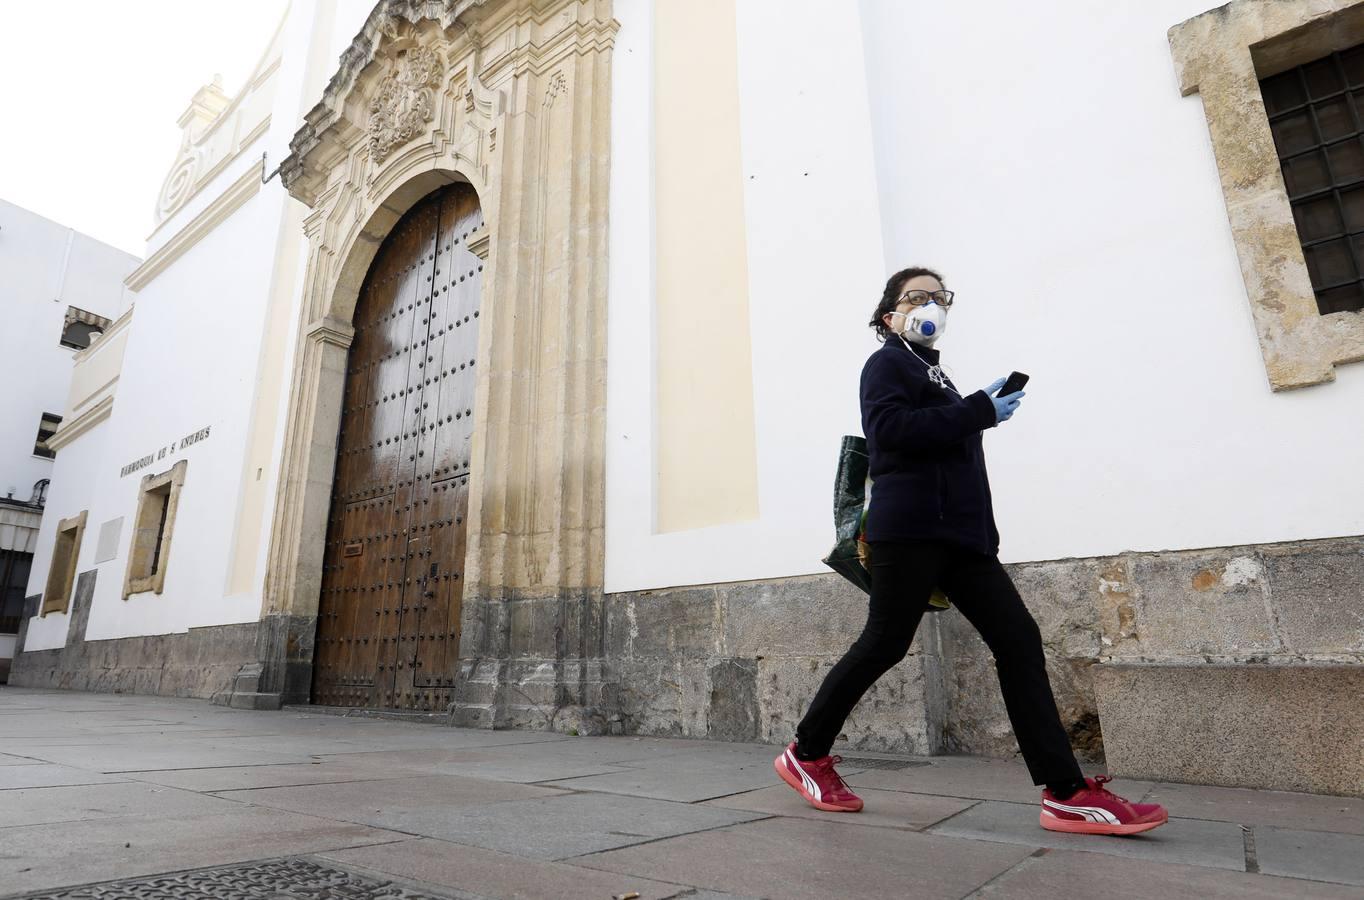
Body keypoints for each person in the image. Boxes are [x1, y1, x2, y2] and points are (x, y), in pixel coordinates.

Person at [773, 266, 1168, 836]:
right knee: (885, 642)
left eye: (940, 296)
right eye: (918, 296)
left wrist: (975, 418)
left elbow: (948, 453)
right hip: (907, 532)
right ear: (891, 315)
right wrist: (980, 410)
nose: (932, 303)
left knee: (1018, 640)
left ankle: (1065, 793)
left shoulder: (938, 376)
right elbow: (891, 433)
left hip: (961, 540)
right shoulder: (886, 362)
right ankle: (805, 753)